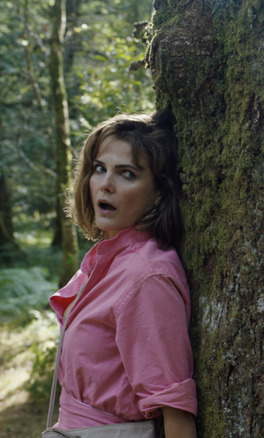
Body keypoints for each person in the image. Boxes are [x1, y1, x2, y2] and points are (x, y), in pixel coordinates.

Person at [49, 109, 197, 437]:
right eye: (99, 169)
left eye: (126, 174)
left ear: (159, 191)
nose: (106, 185)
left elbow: (176, 412)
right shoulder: (110, 260)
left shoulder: (146, 277)